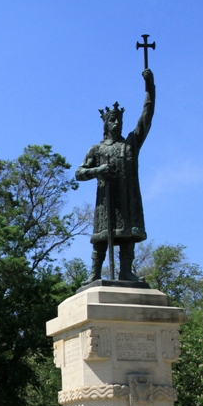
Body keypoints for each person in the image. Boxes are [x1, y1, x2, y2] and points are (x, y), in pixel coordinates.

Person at [75, 68, 155, 282]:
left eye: (119, 120)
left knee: (128, 235)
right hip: (106, 202)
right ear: (106, 123)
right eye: (112, 120)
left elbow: (146, 118)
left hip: (127, 199)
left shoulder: (130, 145)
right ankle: (95, 273)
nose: (116, 123)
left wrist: (150, 89)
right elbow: (79, 173)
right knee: (101, 237)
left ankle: (125, 271)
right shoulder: (96, 149)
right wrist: (98, 171)